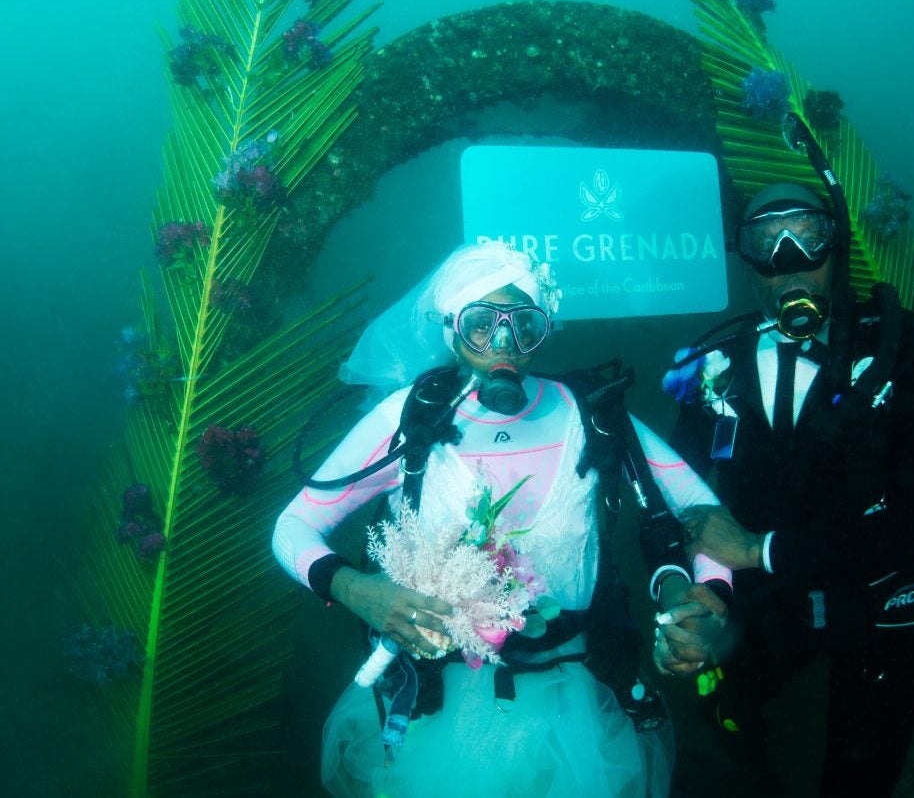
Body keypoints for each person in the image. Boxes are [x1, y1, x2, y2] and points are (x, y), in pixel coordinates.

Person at [272, 240, 730, 798]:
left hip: (574, 703)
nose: (504, 345)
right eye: (482, 324)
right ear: (452, 330)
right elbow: (291, 528)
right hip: (442, 709)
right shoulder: (410, 421)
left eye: (524, 325)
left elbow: (701, 510)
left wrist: (707, 594)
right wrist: (356, 589)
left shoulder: (591, 414)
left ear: (543, 329)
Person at [663, 173, 914, 796]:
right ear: (745, 258)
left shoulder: (909, 357)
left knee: (857, 776)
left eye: (807, 237)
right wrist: (706, 592)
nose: (789, 262)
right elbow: (679, 495)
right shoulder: (715, 365)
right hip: (778, 591)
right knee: (720, 710)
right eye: (765, 242)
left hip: (885, 596)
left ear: (836, 248)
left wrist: (758, 550)